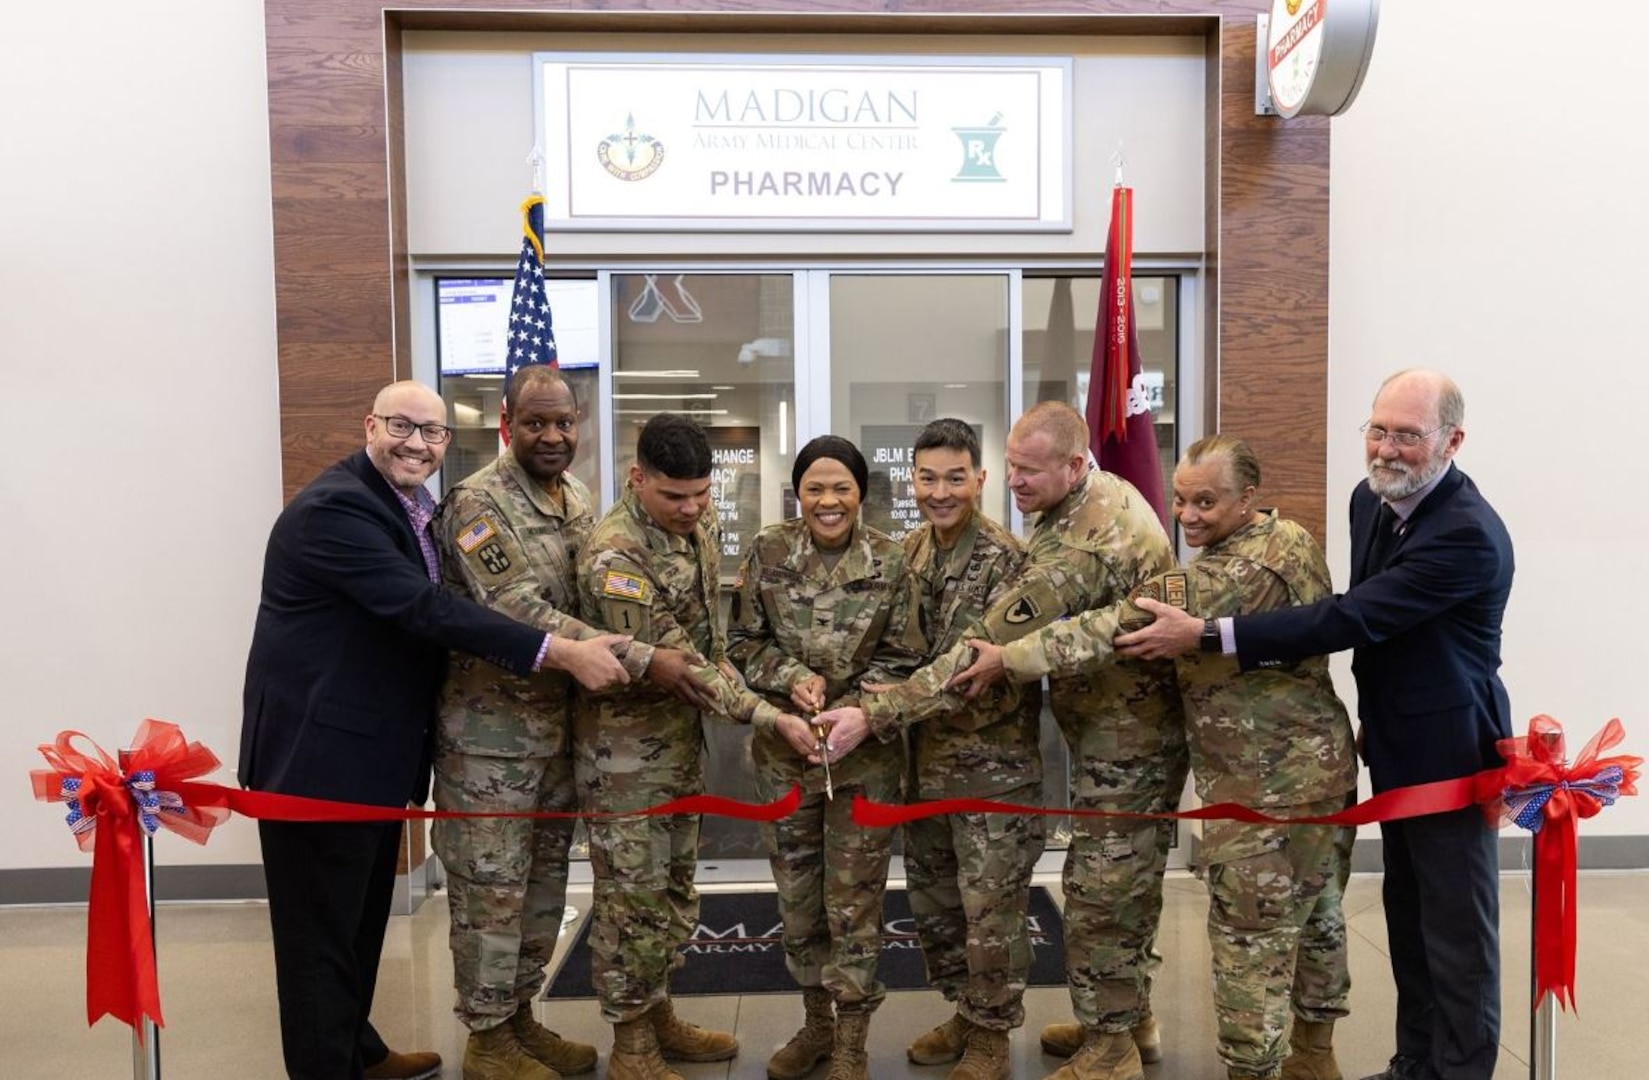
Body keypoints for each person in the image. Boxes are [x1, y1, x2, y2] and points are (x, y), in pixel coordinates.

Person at [1115, 370, 1514, 1080]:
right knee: (1409, 921)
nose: (1387, 449)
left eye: (1407, 436)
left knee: (1455, 935)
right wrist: (1373, 720)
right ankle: (1414, 1064)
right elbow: (1376, 621)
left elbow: (1352, 617)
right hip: (1392, 739)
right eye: (1378, 429)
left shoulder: (1466, 534)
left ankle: (1460, 1071)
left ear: (1451, 440)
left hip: (1452, 753)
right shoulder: (1372, 499)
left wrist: (1210, 634)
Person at [239, 380, 630, 1080]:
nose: (416, 443)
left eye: (431, 433)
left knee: (357, 924)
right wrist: (562, 651)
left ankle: (358, 1049)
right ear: (370, 425)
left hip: (370, 755)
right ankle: (327, 1068)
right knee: (317, 940)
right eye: (401, 427)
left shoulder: (406, 506)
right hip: (317, 760)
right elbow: (424, 610)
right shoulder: (337, 509)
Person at [951, 434, 1359, 1080]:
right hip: (1308, 772)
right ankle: (1313, 1055)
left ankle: (1253, 1067)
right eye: (1180, 500)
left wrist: (1009, 657)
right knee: (1315, 922)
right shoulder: (1288, 538)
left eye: (1207, 502)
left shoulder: (1232, 571)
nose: (1188, 516)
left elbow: (1115, 623)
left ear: (1248, 497)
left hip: (1267, 788)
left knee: (1248, 943)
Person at [818, 401, 1185, 1080]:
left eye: (1024, 471)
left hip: (1108, 745)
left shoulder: (1056, 551)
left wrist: (873, 716)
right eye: (1012, 466)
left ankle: (1106, 1044)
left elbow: (977, 654)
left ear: (1074, 466)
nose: (1015, 482)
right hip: (1040, 742)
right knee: (953, 904)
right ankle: (1117, 1019)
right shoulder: (1076, 505)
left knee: (1094, 893)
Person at [433, 367, 718, 1080]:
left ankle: (524, 1021)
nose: (553, 436)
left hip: (564, 737)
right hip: (491, 746)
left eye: (563, 422)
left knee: (542, 893)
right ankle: (488, 1040)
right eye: (536, 423)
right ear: (507, 423)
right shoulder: (478, 504)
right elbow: (515, 607)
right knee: (490, 894)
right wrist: (645, 655)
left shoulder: (577, 499)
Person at [573, 412, 816, 1080]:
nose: (690, 509)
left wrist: (725, 661)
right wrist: (768, 717)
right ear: (636, 478)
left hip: (678, 745)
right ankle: (631, 1046)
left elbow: (705, 632)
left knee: (675, 889)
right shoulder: (613, 556)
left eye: (700, 494)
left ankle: (660, 1017)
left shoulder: (701, 526)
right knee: (631, 900)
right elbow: (680, 665)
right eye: (673, 496)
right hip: (624, 758)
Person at [723, 435, 926, 1080]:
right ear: (798, 493)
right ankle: (816, 1025)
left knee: (855, 901)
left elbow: (907, 658)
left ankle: (852, 1041)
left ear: (861, 492)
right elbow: (744, 643)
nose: (828, 501)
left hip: (864, 757)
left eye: (841, 488)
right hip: (787, 752)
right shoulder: (768, 550)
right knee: (798, 898)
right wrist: (790, 677)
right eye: (815, 488)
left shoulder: (895, 560)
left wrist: (854, 713)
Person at [889, 420, 1045, 1080]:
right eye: (927, 477)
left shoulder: (1010, 562)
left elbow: (968, 670)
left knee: (991, 912)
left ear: (980, 480)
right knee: (936, 905)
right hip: (921, 770)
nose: (940, 491)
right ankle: (963, 1008)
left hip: (992, 773)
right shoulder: (907, 553)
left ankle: (991, 1036)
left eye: (955, 477)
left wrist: (882, 704)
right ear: (912, 480)